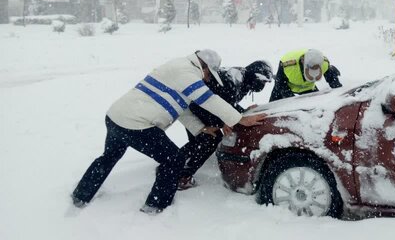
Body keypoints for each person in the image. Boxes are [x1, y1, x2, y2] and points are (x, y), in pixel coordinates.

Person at [71, 50, 266, 214]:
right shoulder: (187, 72)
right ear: (204, 66)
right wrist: (239, 118)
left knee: (109, 156)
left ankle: (81, 194)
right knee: (173, 160)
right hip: (137, 125)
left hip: (116, 117)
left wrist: (201, 128)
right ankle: (156, 205)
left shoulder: (177, 67)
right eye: (209, 75)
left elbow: (183, 108)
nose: (208, 79)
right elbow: (208, 99)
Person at [178, 60, 273, 189]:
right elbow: (206, 103)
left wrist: (241, 111)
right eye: (263, 82)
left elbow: (227, 102)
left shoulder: (243, 79)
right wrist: (220, 123)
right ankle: (182, 175)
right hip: (193, 107)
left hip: (199, 107)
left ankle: (172, 163)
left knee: (198, 142)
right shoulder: (231, 81)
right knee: (210, 139)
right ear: (255, 76)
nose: (263, 86)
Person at [269, 49, 342, 102]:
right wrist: (291, 100)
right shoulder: (288, 64)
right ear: (303, 62)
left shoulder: (324, 63)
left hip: (308, 88)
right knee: (272, 108)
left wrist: (339, 93)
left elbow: (333, 80)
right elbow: (280, 83)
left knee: (317, 106)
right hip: (286, 87)